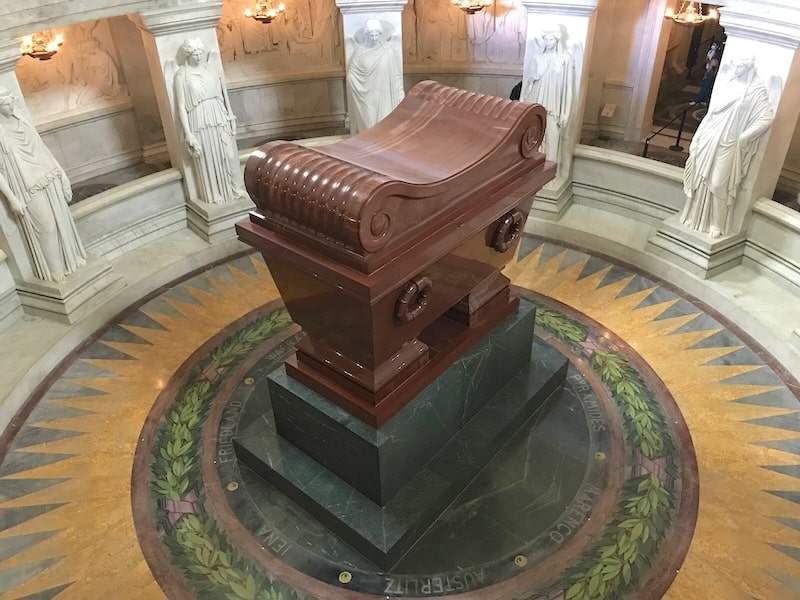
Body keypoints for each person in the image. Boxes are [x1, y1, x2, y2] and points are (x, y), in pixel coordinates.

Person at [681, 55, 774, 239]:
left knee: (717, 184)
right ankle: (695, 217)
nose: (735, 69)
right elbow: (710, 115)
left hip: (730, 143)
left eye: (740, 66)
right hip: (709, 137)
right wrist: (697, 138)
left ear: (748, 68)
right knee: (699, 180)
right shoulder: (728, 84)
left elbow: (766, 118)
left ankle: (717, 223)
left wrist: (746, 136)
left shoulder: (755, 90)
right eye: (735, 65)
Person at [0, 88, 86, 282]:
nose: (10, 104)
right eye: (4, 102)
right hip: (26, 186)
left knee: (60, 219)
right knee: (46, 225)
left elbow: (42, 148)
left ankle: (70, 259)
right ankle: (55, 269)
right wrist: (12, 199)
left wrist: (61, 173)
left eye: (10, 99)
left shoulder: (21, 119)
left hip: (48, 175)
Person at [173, 38, 245, 204]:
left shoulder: (211, 69)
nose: (198, 57)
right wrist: (188, 133)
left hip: (218, 114)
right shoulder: (181, 75)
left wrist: (230, 115)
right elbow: (181, 106)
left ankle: (232, 189)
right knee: (208, 157)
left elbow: (223, 94)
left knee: (228, 153)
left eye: (200, 53)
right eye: (194, 54)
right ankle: (215, 193)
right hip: (199, 119)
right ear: (188, 54)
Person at [522, 28, 580, 181]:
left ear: (557, 40)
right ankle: (532, 176)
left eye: (551, 39)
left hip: (553, 107)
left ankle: (549, 177)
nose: (548, 43)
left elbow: (568, 88)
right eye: (546, 39)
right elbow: (527, 84)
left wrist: (566, 113)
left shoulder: (565, 59)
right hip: (536, 103)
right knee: (534, 140)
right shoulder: (537, 57)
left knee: (552, 140)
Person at [346, 20, 405, 134]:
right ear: (367, 34)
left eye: (376, 35)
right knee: (369, 123)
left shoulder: (388, 51)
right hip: (367, 97)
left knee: (384, 123)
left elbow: (396, 75)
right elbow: (352, 73)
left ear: (380, 34)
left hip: (385, 96)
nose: (374, 38)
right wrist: (354, 84)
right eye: (371, 35)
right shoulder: (360, 52)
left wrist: (399, 92)